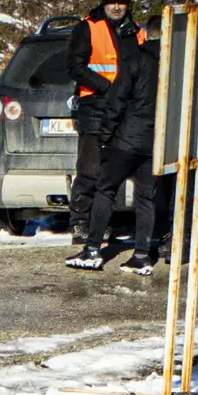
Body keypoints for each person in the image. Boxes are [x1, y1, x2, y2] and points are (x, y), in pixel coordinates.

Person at [66, 18, 160, 274]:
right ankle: (142, 256)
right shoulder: (174, 67)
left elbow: (116, 102)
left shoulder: (135, 62)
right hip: (155, 143)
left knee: (105, 189)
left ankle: (93, 250)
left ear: (145, 35)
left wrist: (106, 135)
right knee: (145, 198)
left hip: (126, 139)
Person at [65, 0, 145, 244]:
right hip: (95, 107)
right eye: (112, 2)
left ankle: (101, 223)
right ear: (104, 3)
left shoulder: (137, 33)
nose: (117, 6)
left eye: (121, 2)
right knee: (89, 168)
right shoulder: (87, 27)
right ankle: (79, 223)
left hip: (126, 112)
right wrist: (106, 87)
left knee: (112, 172)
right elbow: (75, 67)